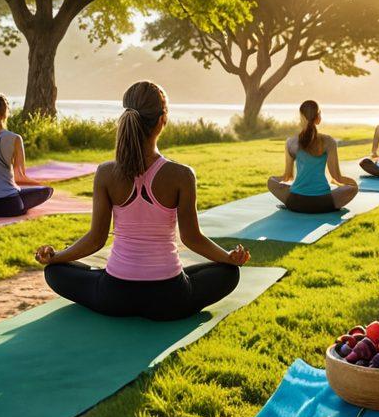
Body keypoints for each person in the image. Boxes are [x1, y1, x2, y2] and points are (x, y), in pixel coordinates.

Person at [35, 81, 249, 321]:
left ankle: (73, 272)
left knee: (55, 272)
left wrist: (56, 258)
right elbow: (191, 238)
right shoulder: (181, 175)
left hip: (114, 296)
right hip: (170, 299)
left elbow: (96, 239)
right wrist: (228, 258)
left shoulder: (106, 173)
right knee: (228, 273)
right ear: (162, 120)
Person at [268, 99, 359, 212]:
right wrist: (353, 184)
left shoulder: (290, 142)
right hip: (323, 203)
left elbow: (287, 177)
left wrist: (274, 180)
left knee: (270, 182)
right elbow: (337, 178)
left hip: (296, 202)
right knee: (353, 189)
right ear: (318, 118)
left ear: (301, 117)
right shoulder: (329, 141)